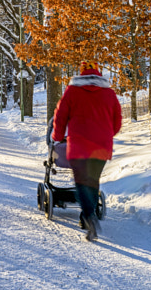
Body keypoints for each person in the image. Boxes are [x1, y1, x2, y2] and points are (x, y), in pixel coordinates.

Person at [50, 61, 123, 242]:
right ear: (98, 73)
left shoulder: (72, 91)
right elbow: (117, 120)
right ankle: (88, 215)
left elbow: (60, 116)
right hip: (101, 147)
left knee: (82, 182)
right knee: (93, 180)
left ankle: (88, 215)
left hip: (79, 146)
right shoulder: (109, 94)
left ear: (81, 73)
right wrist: (106, 135)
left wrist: (57, 136)